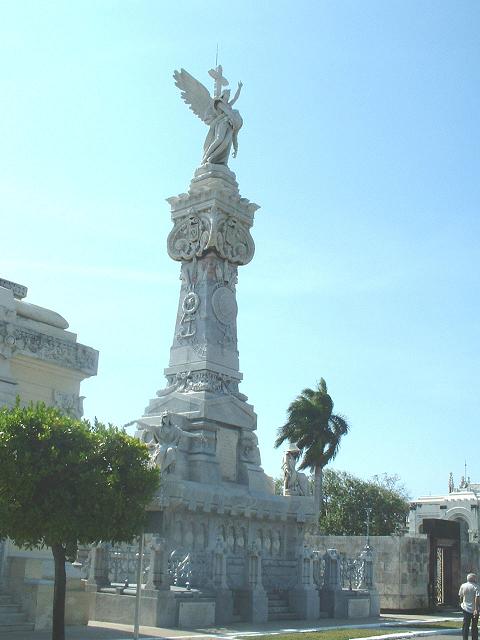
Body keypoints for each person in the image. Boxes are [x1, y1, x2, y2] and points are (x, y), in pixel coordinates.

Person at [459, 573, 479, 640]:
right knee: (474, 626)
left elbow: (461, 596)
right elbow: (477, 598)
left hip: (465, 608)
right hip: (474, 609)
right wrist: (476, 609)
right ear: (473, 579)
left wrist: (462, 603)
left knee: (465, 625)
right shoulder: (476, 586)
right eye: (475, 578)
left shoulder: (463, 586)